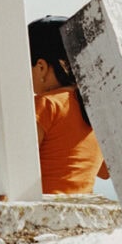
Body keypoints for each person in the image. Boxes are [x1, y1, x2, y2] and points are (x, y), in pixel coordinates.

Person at [28, 15, 105, 194]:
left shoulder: (46, 105)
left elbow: (17, 165)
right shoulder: (94, 107)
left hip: (46, 207)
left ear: (41, 67)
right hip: (82, 207)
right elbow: (105, 171)